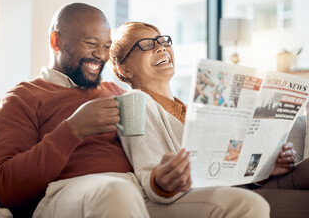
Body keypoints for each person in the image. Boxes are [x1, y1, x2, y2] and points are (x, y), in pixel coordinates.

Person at [0, 3, 268, 218]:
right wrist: (72, 130)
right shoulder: (22, 97)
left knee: (245, 205)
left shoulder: (121, 94)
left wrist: (164, 179)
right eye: (91, 44)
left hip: (137, 193)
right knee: (116, 192)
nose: (100, 54)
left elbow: (155, 156)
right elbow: (4, 187)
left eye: (107, 46)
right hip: (67, 192)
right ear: (56, 42)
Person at [109, 21, 309, 218]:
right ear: (124, 69)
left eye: (162, 41)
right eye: (145, 44)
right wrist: (160, 182)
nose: (161, 47)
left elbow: (227, 165)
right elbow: (148, 176)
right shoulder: (130, 104)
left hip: (243, 186)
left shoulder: (192, 109)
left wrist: (263, 168)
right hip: (192, 198)